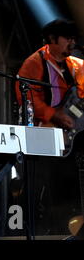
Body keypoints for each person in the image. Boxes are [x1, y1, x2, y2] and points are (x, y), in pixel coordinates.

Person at [15, 19, 82, 234]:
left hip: (72, 139)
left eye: (74, 38)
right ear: (52, 40)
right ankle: (49, 230)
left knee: (68, 186)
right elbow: (25, 96)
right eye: (67, 38)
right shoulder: (34, 63)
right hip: (43, 135)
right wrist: (55, 115)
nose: (72, 42)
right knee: (46, 186)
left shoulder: (76, 65)